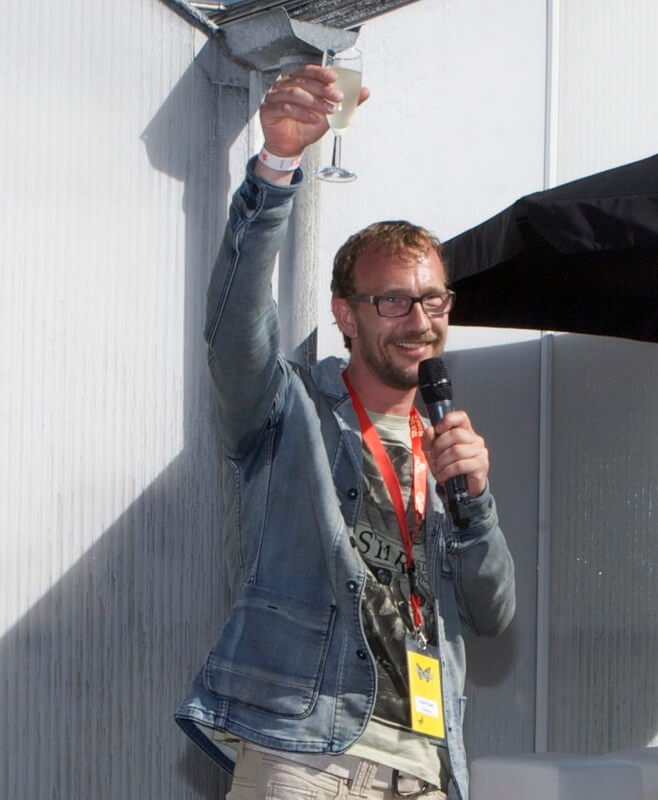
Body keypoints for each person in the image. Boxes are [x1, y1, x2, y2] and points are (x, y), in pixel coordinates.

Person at [176, 64, 515, 800]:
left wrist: (477, 501)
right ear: (344, 312)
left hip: (426, 765)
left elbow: (492, 610)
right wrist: (275, 168)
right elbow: (234, 326)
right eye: (392, 302)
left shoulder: (446, 444)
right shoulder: (288, 411)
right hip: (306, 753)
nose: (419, 322)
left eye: (432, 300)